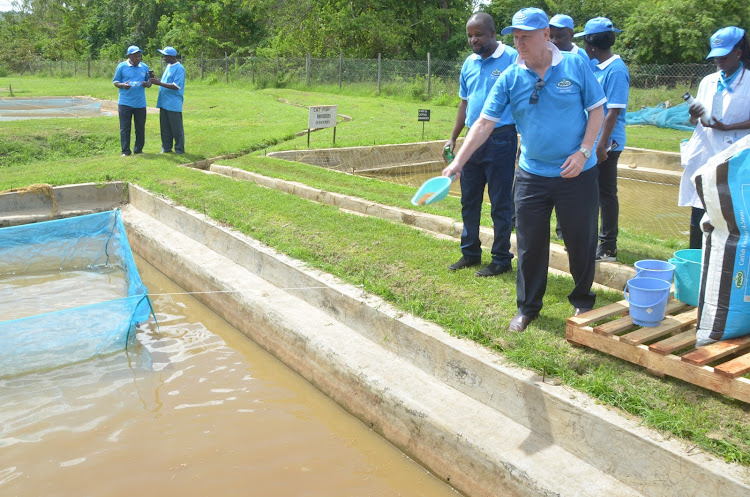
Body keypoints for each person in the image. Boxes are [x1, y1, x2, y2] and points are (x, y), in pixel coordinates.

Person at [443, 8, 605, 332]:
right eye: (515, 37)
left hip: (577, 172)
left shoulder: (575, 65)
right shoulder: (511, 78)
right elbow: (484, 122)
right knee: (530, 244)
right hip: (532, 174)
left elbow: (597, 110)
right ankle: (528, 308)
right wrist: (458, 161)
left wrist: (584, 151)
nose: (520, 43)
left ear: (546, 35)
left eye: (526, 37)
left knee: (580, 240)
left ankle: (582, 300)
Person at [445, 12, 519, 277]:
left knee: (500, 203)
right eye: (469, 35)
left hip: (501, 138)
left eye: (478, 34)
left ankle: (501, 259)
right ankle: (470, 253)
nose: (473, 40)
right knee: (469, 199)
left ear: (492, 34)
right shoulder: (469, 63)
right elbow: (464, 102)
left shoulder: (512, 58)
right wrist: (454, 136)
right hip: (471, 140)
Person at [679, 26, 750, 249]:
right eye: (715, 57)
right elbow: (696, 120)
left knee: (729, 210)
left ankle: (724, 260)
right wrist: (693, 114)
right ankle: (695, 257)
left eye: (723, 56)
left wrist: (728, 127)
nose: (718, 61)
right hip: (705, 153)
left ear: (738, 53)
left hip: (735, 154)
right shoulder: (708, 81)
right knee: (699, 205)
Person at [576, 17, 630, 262]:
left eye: (584, 43)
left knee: (606, 193)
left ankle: (608, 246)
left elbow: (613, 112)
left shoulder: (616, 70)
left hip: (607, 142)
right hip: (593, 140)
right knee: (591, 192)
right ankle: (588, 239)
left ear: (591, 44)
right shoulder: (596, 66)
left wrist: (600, 145)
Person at [549, 13, 589, 242]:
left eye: (560, 36)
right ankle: (558, 228)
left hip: (574, 135)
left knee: (569, 182)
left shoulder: (580, 58)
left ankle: (566, 230)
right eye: (551, 36)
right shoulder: (548, 56)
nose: (555, 41)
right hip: (552, 133)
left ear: (572, 34)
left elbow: (590, 102)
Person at [113, 45, 152, 157]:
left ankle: (138, 150)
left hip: (140, 103)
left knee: (140, 127)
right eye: (135, 56)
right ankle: (125, 151)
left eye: (139, 56)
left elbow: (149, 83)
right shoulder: (121, 67)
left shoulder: (144, 67)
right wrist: (123, 85)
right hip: (125, 102)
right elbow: (115, 82)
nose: (138, 58)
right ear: (129, 56)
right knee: (125, 127)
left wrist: (147, 84)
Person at [150, 46, 186, 155]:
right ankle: (166, 148)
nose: (163, 57)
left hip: (173, 103)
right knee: (165, 128)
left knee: (176, 128)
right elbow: (166, 82)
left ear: (171, 56)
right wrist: (158, 80)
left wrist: (159, 83)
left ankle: (179, 150)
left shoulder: (179, 68)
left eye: (165, 55)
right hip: (164, 102)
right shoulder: (169, 66)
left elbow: (176, 86)